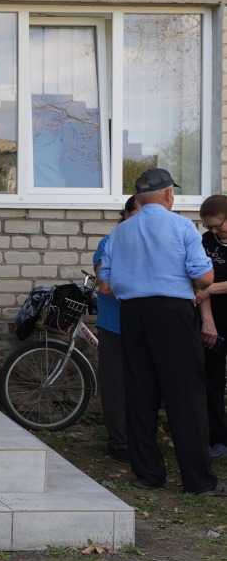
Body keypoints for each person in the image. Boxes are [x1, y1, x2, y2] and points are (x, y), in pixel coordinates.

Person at [98, 168, 225, 497]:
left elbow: (106, 285)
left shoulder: (120, 233)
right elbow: (205, 280)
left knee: (140, 393)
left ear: (138, 198)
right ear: (169, 194)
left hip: (133, 315)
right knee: (185, 394)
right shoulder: (182, 226)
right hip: (173, 314)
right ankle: (199, 481)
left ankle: (148, 475)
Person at [92, 195, 140, 462]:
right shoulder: (109, 242)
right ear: (125, 215)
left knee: (142, 384)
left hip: (144, 324)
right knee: (115, 384)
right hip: (114, 324)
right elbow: (104, 283)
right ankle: (119, 441)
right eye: (137, 214)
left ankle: (140, 437)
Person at [196, 194, 227, 461]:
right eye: (210, 227)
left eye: (219, 225)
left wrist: (210, 290)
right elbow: (198, 282)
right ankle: (219, 438)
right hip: (215, 324)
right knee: (213, 381)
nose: (215, 231)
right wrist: (208, 320)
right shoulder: (205, 243)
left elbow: (206, 288)